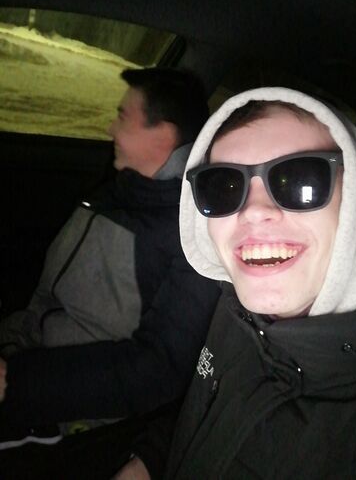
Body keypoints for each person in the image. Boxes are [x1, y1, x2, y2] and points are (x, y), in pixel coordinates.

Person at [116, 86, 356, 479]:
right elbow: (215, 409)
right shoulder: (233, 308)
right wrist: (151, 458)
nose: (253, 211)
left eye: (299, 179)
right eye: (223, 186)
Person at [0, 67, 220, 446]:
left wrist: (17, 381)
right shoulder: (118, 190)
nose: (109, 129)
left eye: (122, 117)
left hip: (65, 416)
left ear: (162, 137)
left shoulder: (190, 238)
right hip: (20, 348)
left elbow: (157, 369)